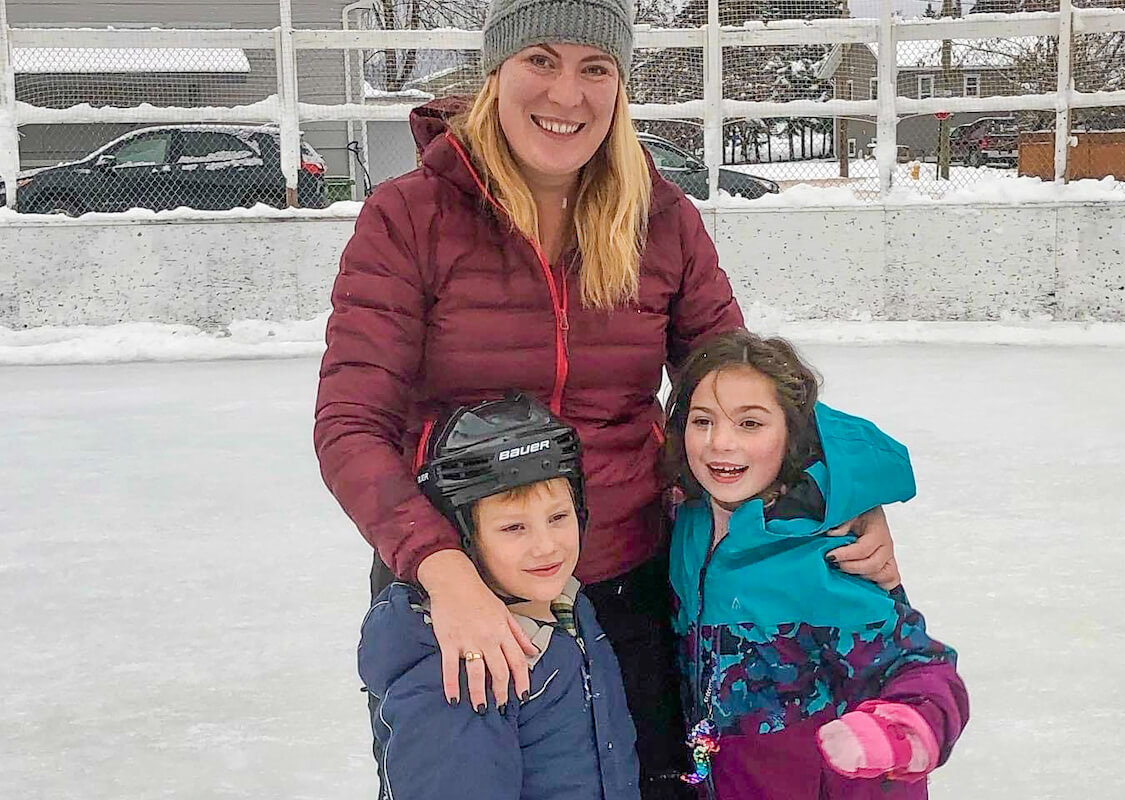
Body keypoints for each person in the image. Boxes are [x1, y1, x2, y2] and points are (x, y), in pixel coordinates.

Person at [314, 0, 902, 794]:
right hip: (463, 591)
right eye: (541, 61)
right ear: (498, 71)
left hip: (632, 583)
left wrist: (836, 497)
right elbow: (353, 424)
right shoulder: (410, 217)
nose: (568, 95)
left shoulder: (662, 220)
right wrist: (443, 574)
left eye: (596, 68)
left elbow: (739, 394)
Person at [661, 330, 969, 800]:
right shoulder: (689, 526)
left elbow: (921, 664)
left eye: (750, 424)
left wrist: (899, 732)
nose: (720, 442)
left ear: (792, 433)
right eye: (703, 421)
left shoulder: (822, 553)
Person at [359, 394, 639, 799]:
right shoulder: (460, 666)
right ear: (463, 537)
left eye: (558, 518)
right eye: (513, 528)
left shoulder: (572, 609)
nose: (546, 547)